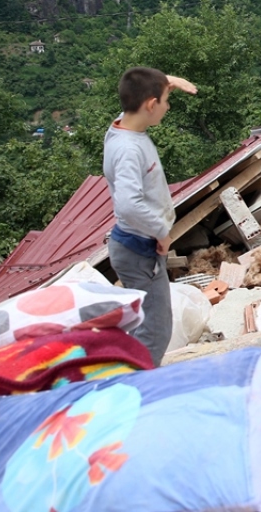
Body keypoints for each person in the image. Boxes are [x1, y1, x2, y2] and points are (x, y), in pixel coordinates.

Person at [103, 67, 197, 366]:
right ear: (150, 105)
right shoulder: (129, 150)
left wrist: (168, 82)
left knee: (142, 326)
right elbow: (129, 204)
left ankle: (134, 378)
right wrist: (161, 231)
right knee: (155, 331)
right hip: (140, 248)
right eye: (166, 101)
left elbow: (137, 91)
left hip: (133, 244)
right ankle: (136, 389)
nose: (168, 107)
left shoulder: (122, 125)